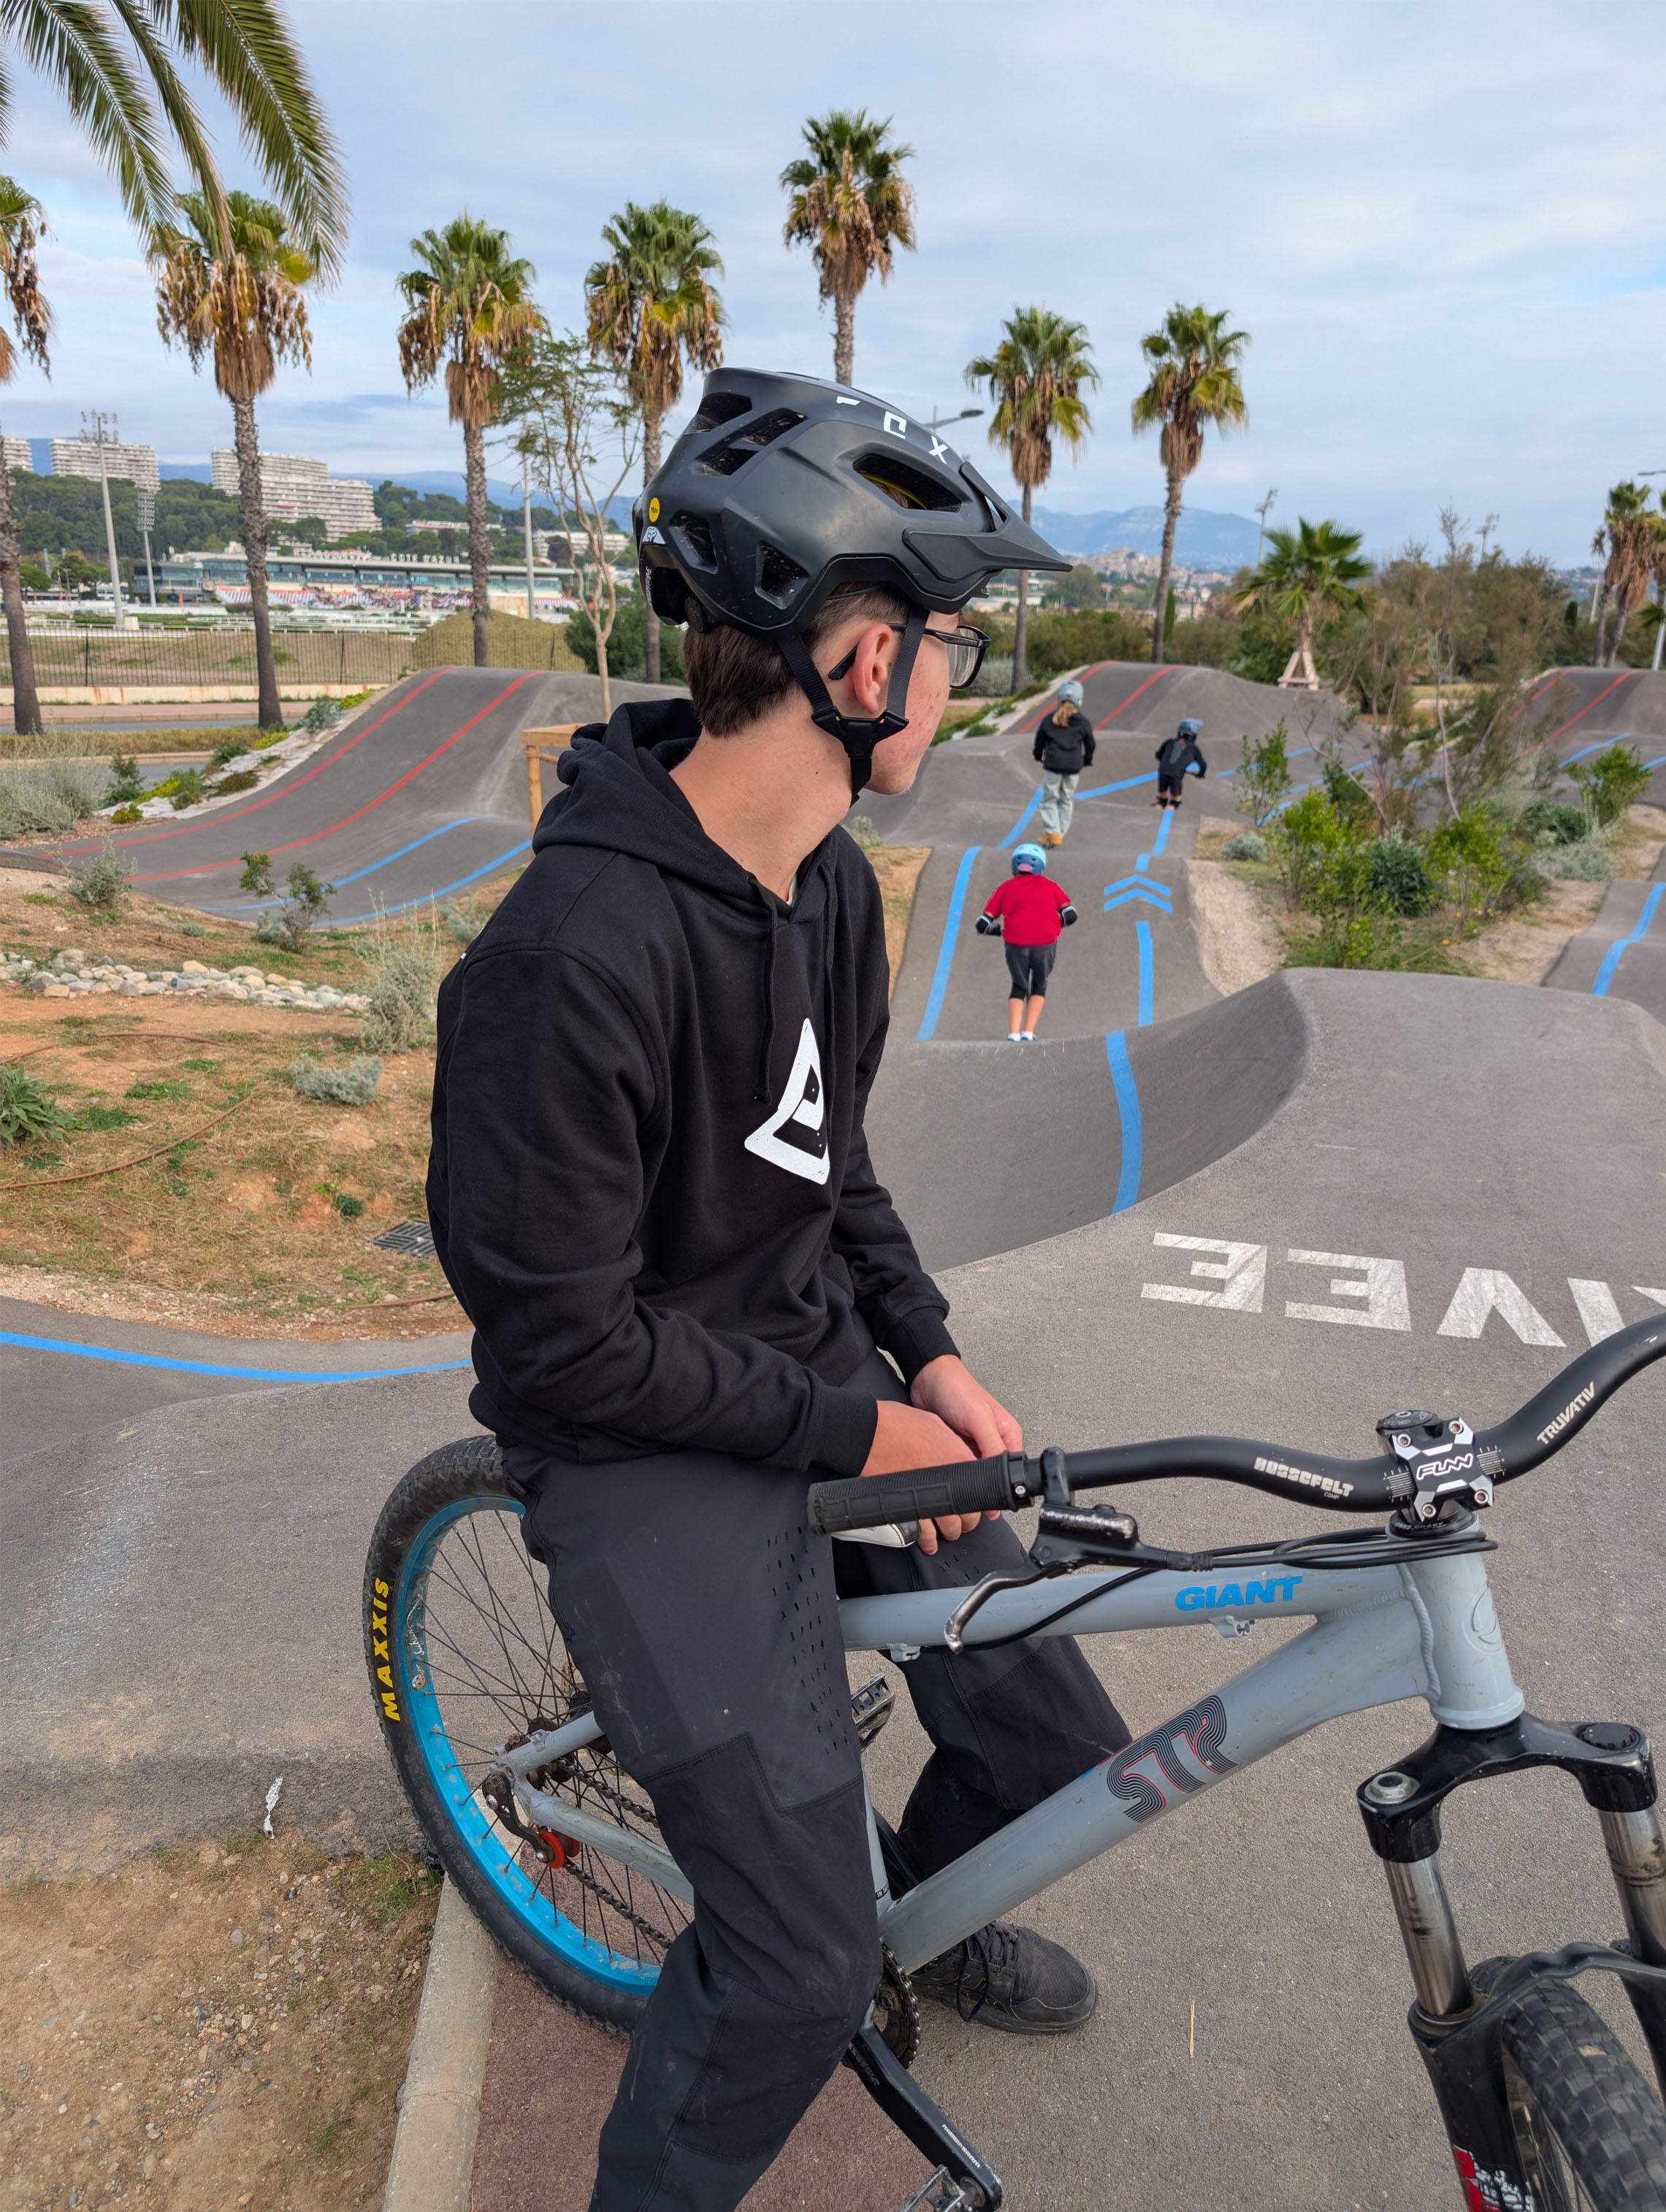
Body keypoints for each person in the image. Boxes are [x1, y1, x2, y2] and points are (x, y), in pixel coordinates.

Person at [427, 368, 1131, 2212]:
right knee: (792, 1974)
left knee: (1058, 1739)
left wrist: (932, 1349)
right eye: (946, 641)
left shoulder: (823, 888)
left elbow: (834, 1168)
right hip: (630, 1446)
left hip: (809, 1373)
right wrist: (859, 1418)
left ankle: (921, 1912)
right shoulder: (564, 958)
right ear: (850, 656)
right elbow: (561, 1339)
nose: (957, 680)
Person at [975, 841, 1077, 1041]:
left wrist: (993, 931)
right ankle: (1028, 1033)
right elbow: (1071, 914)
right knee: (1040, 984)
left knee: (1019, 986)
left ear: (1014, 866)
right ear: (1041, 865)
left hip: (1015, 943)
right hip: (1045, 943)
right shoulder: (1051, 886)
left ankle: (1013, 1033)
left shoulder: (1005, 887)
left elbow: (982, 922)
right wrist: (1059, 924)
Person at [1031, 676, 1096, 845]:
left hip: (1054, 765)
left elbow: (1039, 741)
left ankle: (1053, 832)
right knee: (1066, 800)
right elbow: (1090, 743)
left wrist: (1038, 756)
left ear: (1059, 698)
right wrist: (1087, 759)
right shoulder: (1083, 722)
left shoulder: (1050, 719)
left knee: (1049, 799)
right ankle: (1058, 833)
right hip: (1074, 766)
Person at [1155, 716, 1207, 809]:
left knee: (1162, 800)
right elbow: (1203, 765)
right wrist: (1200, 774)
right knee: (1175, 801)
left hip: (1163, 771)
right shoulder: (1193, 748)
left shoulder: (1169, 742)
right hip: (1176, 775)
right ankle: (1170, 810)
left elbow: (1158, 755)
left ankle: (1159, 806)